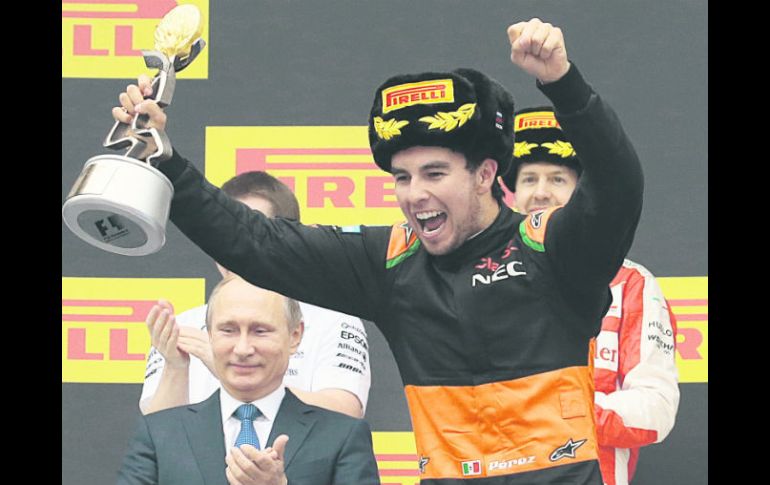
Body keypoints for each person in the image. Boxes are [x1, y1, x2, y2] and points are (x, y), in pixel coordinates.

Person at [114, 18, 644, 484]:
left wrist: (563, 83)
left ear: (485, 174)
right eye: (402, 178)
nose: (415, 194)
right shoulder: (391, 261)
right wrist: (168, 164)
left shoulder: (550, 245)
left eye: (435, 174)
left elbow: (618, 183)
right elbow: (257, 244)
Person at [500, 106, 680, 485]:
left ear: (582, 192)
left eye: (557, 179)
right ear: (512, 193)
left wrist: (555, 413)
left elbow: (657, 409)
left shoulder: (631, 283)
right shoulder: (484, 278)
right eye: (529, 179)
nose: (541, 192)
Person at [140, 171, 371, 418]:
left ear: (287, 240)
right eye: (222, 237)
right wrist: (176, 368)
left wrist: (233, 373)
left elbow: (345, 412)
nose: (235, 251)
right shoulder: (182, 327)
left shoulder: (332, 320)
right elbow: (158, 434)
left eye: (250, 237)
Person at [116, 275, 381, 485]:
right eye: (228, 330)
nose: (242, 348)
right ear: (209, 334)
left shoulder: (341, 435)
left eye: (260, 331)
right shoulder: (160, 431)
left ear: (295, 336)